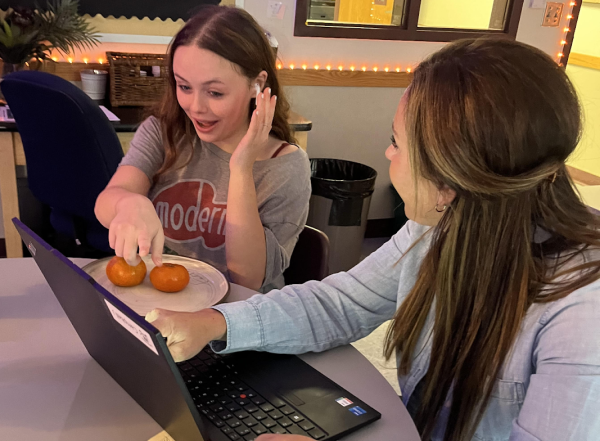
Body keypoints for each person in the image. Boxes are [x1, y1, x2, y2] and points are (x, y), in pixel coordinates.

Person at [145, 38, 600, 441]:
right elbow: (342, 303)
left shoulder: (583, 314)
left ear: (451, 183)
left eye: (396, 143)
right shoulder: (438, 229)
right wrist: (216, 323)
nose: (387, 155)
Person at [95, 6, 311, 293]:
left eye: (215, 92)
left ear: (256, 85)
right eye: (184, 87)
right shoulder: (163, 132)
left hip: (235, 319)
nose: (195, 107)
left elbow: (247, 279)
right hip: (159, 306)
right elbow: (105, 203)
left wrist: (241, 167)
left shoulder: (285, 167)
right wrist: (127, 204)